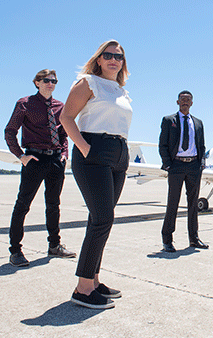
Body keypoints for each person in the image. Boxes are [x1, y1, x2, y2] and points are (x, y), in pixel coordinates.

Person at [60, 40, 132, 310]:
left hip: (118, 154)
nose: (114, 59)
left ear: (123, 62)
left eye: (119, 56)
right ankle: (83, 288)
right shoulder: (87, 83)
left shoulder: (121, 91)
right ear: (99, 59)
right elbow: (67, 117)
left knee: (100, 220)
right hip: (94, 153)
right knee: (103, 218)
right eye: (108, 55)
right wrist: (85, 148)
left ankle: (95, 279)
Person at [5, 69, 76, 267]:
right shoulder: (25, 104)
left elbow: (63, 134)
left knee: (53, 205)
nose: (50, 84)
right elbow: (10, 131)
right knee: (23, 204)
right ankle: (15, 250)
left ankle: (54, 245)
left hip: (55, 161)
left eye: (54, 81)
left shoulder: (60, 106)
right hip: (34, 159)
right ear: (37, 82)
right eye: (46, 80)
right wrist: (21, 156)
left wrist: (64, 155)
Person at [159, 90, 208, 253]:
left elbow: (201, 146)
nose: (185, 102)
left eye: (188, 100)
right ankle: (167, 240)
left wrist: (201, 164)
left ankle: (194, 239)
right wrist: (168, 164)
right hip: (176, 166)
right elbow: (163, 145)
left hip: (194, 166)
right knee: (173, 203)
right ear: (178, 102)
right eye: (182, 99)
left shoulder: (198, 123)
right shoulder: (168, 120)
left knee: (193, 204)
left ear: (192, 103)